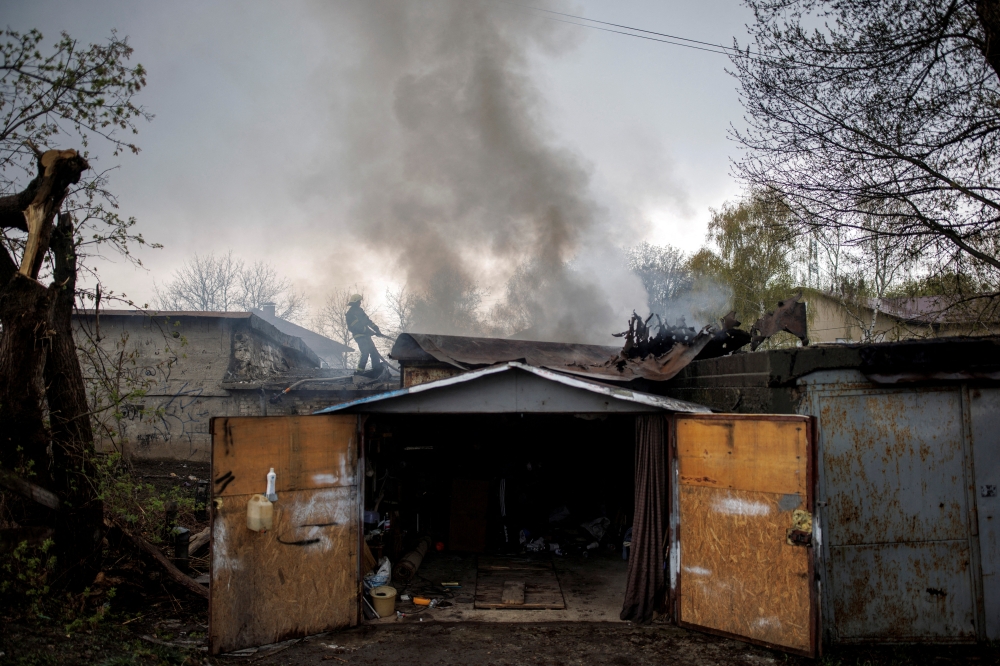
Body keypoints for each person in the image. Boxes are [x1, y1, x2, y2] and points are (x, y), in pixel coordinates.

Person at [345, 294, 386, 373]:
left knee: (374, 352)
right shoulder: (350, 314)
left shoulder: (360, 311)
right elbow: (356, 327)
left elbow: (368, 321)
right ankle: (360, 371)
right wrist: (367, 331)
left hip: (366, 335)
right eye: (359, 301)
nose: (360, 303)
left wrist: (376, 329)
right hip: (359, 336)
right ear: (355, 302)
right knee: (365, 351)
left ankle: (376, 369)